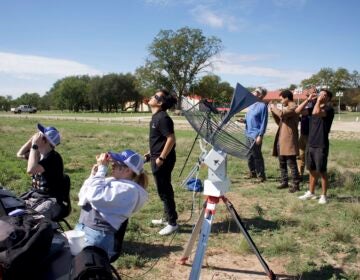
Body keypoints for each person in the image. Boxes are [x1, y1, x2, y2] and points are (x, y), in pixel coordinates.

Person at [76, 149, 148, 259]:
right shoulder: (113, 181)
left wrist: (102, 170)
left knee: (88, 270)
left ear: (128, 170)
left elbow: (93, 196)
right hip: (84, 228)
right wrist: (93, 175)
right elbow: (83, 195)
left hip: (96, 236)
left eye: (116, 163)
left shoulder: (129, 190)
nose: (112, 164)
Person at [145, 89, 179, 236]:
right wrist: (150, 153)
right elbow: (159, 139)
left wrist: (161, 158)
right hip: (156, 157)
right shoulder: (156, 117)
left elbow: (171, 139)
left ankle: (172, 223)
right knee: (162, 190)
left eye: (155, 96)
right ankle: (167, 218)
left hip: (162, 161)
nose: (151, 97)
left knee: (164, 191)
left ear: (160, 102)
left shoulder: (163, 118)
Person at [16, 123, 64, 219]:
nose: (36, 136)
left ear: (45, 140)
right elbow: (20, 154)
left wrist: (34, 145)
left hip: (51, 201)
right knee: (12, 211)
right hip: (36, 197)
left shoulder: (53, 158)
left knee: (29, 220)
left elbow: (31, 170)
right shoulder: (38, 154)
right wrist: (31, 141)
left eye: (40, 135)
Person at [298, 89, 334, 204]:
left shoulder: (328, 109)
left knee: (322, 170)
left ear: (327, 97)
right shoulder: (314, 106)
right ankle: (311, 192)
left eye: (323, 94)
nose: (320, 95)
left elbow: (316, 112)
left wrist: (318, 101)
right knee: (311, 170)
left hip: (321, 144)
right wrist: (308, 99)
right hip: (311, 143)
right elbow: (298, 110)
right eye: (320, 93)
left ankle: (324, 195)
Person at [270, 90, 301, 193]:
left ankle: (295, 184)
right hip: (282, 139)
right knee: (282, 162)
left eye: (282, 98)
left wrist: (274, 108)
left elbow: (282, 114)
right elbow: (280, 121)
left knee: (291, 163)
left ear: (287, 98)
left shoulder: (293, 107)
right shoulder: (287, 108)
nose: (281, 100)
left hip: (288, 140)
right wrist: (273, 112)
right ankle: (284, 181)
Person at [242, 87, 268, 182]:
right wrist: (244, 121)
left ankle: (261, 175)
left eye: (256, 92)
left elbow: (264, 122)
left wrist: (260, 136)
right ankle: (252, 172)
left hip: (256, 135)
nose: (253, 92)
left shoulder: (263, 106)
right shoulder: (251, 104)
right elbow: (250, 118)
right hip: (248, 133)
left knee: (257, 155)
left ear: (260, 95)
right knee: (249, 155)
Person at [295, 91, 315, 181]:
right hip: (302, 134)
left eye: (311, 93)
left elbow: (299, 111)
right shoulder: (307, 103)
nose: (308, 95)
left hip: (311, 135)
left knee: (310, 157)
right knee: (300, 155)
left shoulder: (315, 104)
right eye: (307, 94)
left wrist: (308, 100)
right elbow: (299, 115)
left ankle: (314, 177)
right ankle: (300, 175)